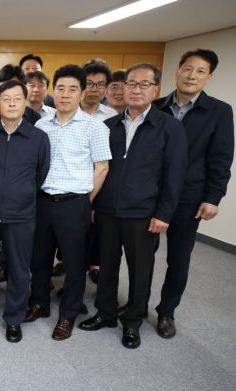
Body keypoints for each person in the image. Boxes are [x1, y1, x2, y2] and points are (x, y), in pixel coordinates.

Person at [79, 63, 187, 349]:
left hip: (144, 213)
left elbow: (174, 175)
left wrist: (164, 213)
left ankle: (133, 322)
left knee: (141, 270)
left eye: (144, 84)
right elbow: (97, 167)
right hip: (106, 210)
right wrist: (92, 202)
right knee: (106, 266)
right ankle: (105, 312)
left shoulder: (169, 128)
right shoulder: (108, 126)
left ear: (155, 89)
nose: (136, 90)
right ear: (123, 88)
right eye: (131, 84)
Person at [24, 65, 111, 341]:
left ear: (81, 92)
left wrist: (86, 200)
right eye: (60, 88)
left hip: (75, 202)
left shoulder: (94, 127)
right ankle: (39, 303)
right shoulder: (41, 124)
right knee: (39, 259)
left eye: (72, 89)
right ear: (53, 91)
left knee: (74, 264)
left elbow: (102, 168)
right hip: (42, 201)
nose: (65, 94)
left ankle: (67, 314)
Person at [152, 49, 234, 338]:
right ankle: (136, 304)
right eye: (187, 68)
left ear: (208, 77)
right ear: (177, 71)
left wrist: (214, 197)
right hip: (152, 193)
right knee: (142, 255)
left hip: (189, 196)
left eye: (200, 71)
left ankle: (167, 311)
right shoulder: (157, 106)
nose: (191, 75)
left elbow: (221, 158)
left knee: (178, 257)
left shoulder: (219, 112)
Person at [0, 80, 50, 343]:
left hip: (22, 214)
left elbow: (41, 173)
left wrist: (21, 194)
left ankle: (14, 319)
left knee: (19, 269)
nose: (12, 103)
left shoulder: (38, 137)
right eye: (6, 99)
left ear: (26, 101)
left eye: (18, 98)